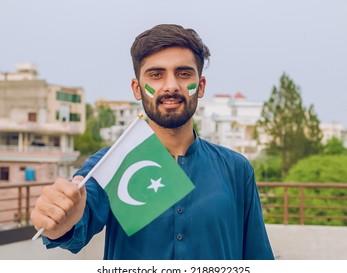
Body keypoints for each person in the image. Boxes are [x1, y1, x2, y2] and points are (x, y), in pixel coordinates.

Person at [31, 23, 274, 260]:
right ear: (137, 88)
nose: (171, 86)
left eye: (183, 73)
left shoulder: (236, 169)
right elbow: (74, 223)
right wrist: (59, 220)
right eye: (156, 75)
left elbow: (258, 258)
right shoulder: (111, 163)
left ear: (200, 86)